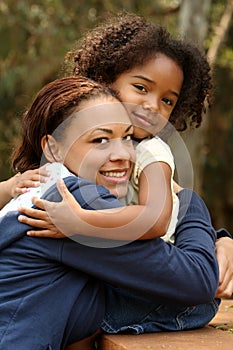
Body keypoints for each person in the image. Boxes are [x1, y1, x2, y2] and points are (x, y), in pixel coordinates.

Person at [18, 12, 233, 297]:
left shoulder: (150, 150)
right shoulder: (70, 155)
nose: (153, 106)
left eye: (167, 101)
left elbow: (167, 210)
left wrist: (217, 238)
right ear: (105, 80)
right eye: (141, 88)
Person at [0, 75, 137, 350]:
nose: (123, 153)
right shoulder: (70, 196)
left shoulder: (38, 195)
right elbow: (193, 281)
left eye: (129, 137)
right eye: (100, 140)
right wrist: (190, 204)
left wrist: (220, 238)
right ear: (52, 148)